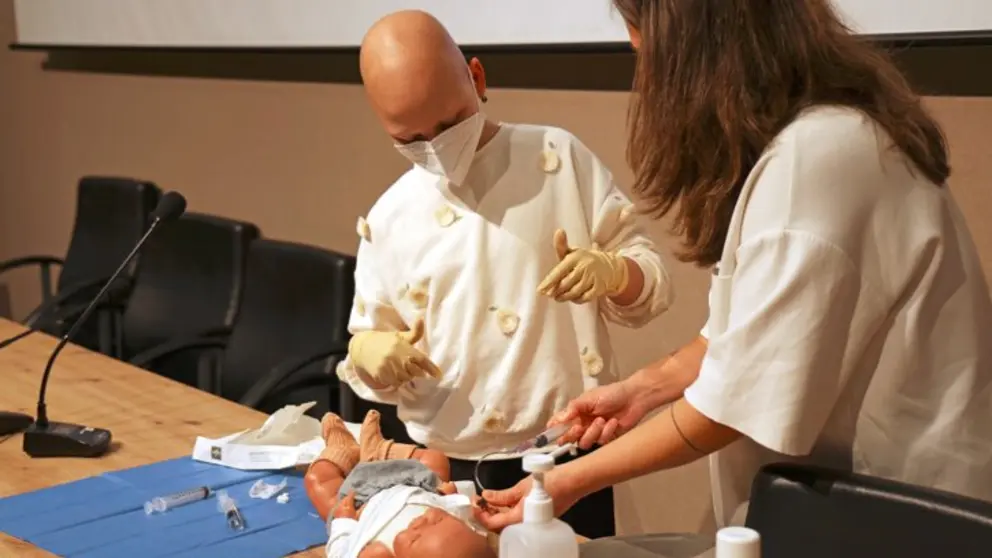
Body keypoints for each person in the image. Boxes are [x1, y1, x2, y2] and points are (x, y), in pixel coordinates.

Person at [475, 0, 992, 533]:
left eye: (644, 42)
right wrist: (644, 388)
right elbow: (747, 334)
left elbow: (732, 402)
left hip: (898, 517)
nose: (640, 62)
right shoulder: (819, 140)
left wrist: (566, 482)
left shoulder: (814, 163)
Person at [334, 9, 672, 538]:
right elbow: (369, 351)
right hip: (441, 470)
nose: (437, 148)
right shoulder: (389, 217)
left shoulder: (557, 158)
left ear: (477, 77)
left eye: (447, 125)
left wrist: (614, 273)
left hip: (564, 457)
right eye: (411, 138)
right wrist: (366, 354)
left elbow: (652, 284)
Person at [306, 410, 495, 558]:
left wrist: (343, 521)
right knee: (434, 458)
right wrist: (451, 496)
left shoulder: (373, 553)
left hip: (358, 504)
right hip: (415, 482)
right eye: (439, 520)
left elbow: (339, 552)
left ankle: (340, 450)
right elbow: (463, 513)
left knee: (319, 482)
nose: (421, 521)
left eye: (415, 538)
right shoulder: (466, 538)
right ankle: (377, 451)